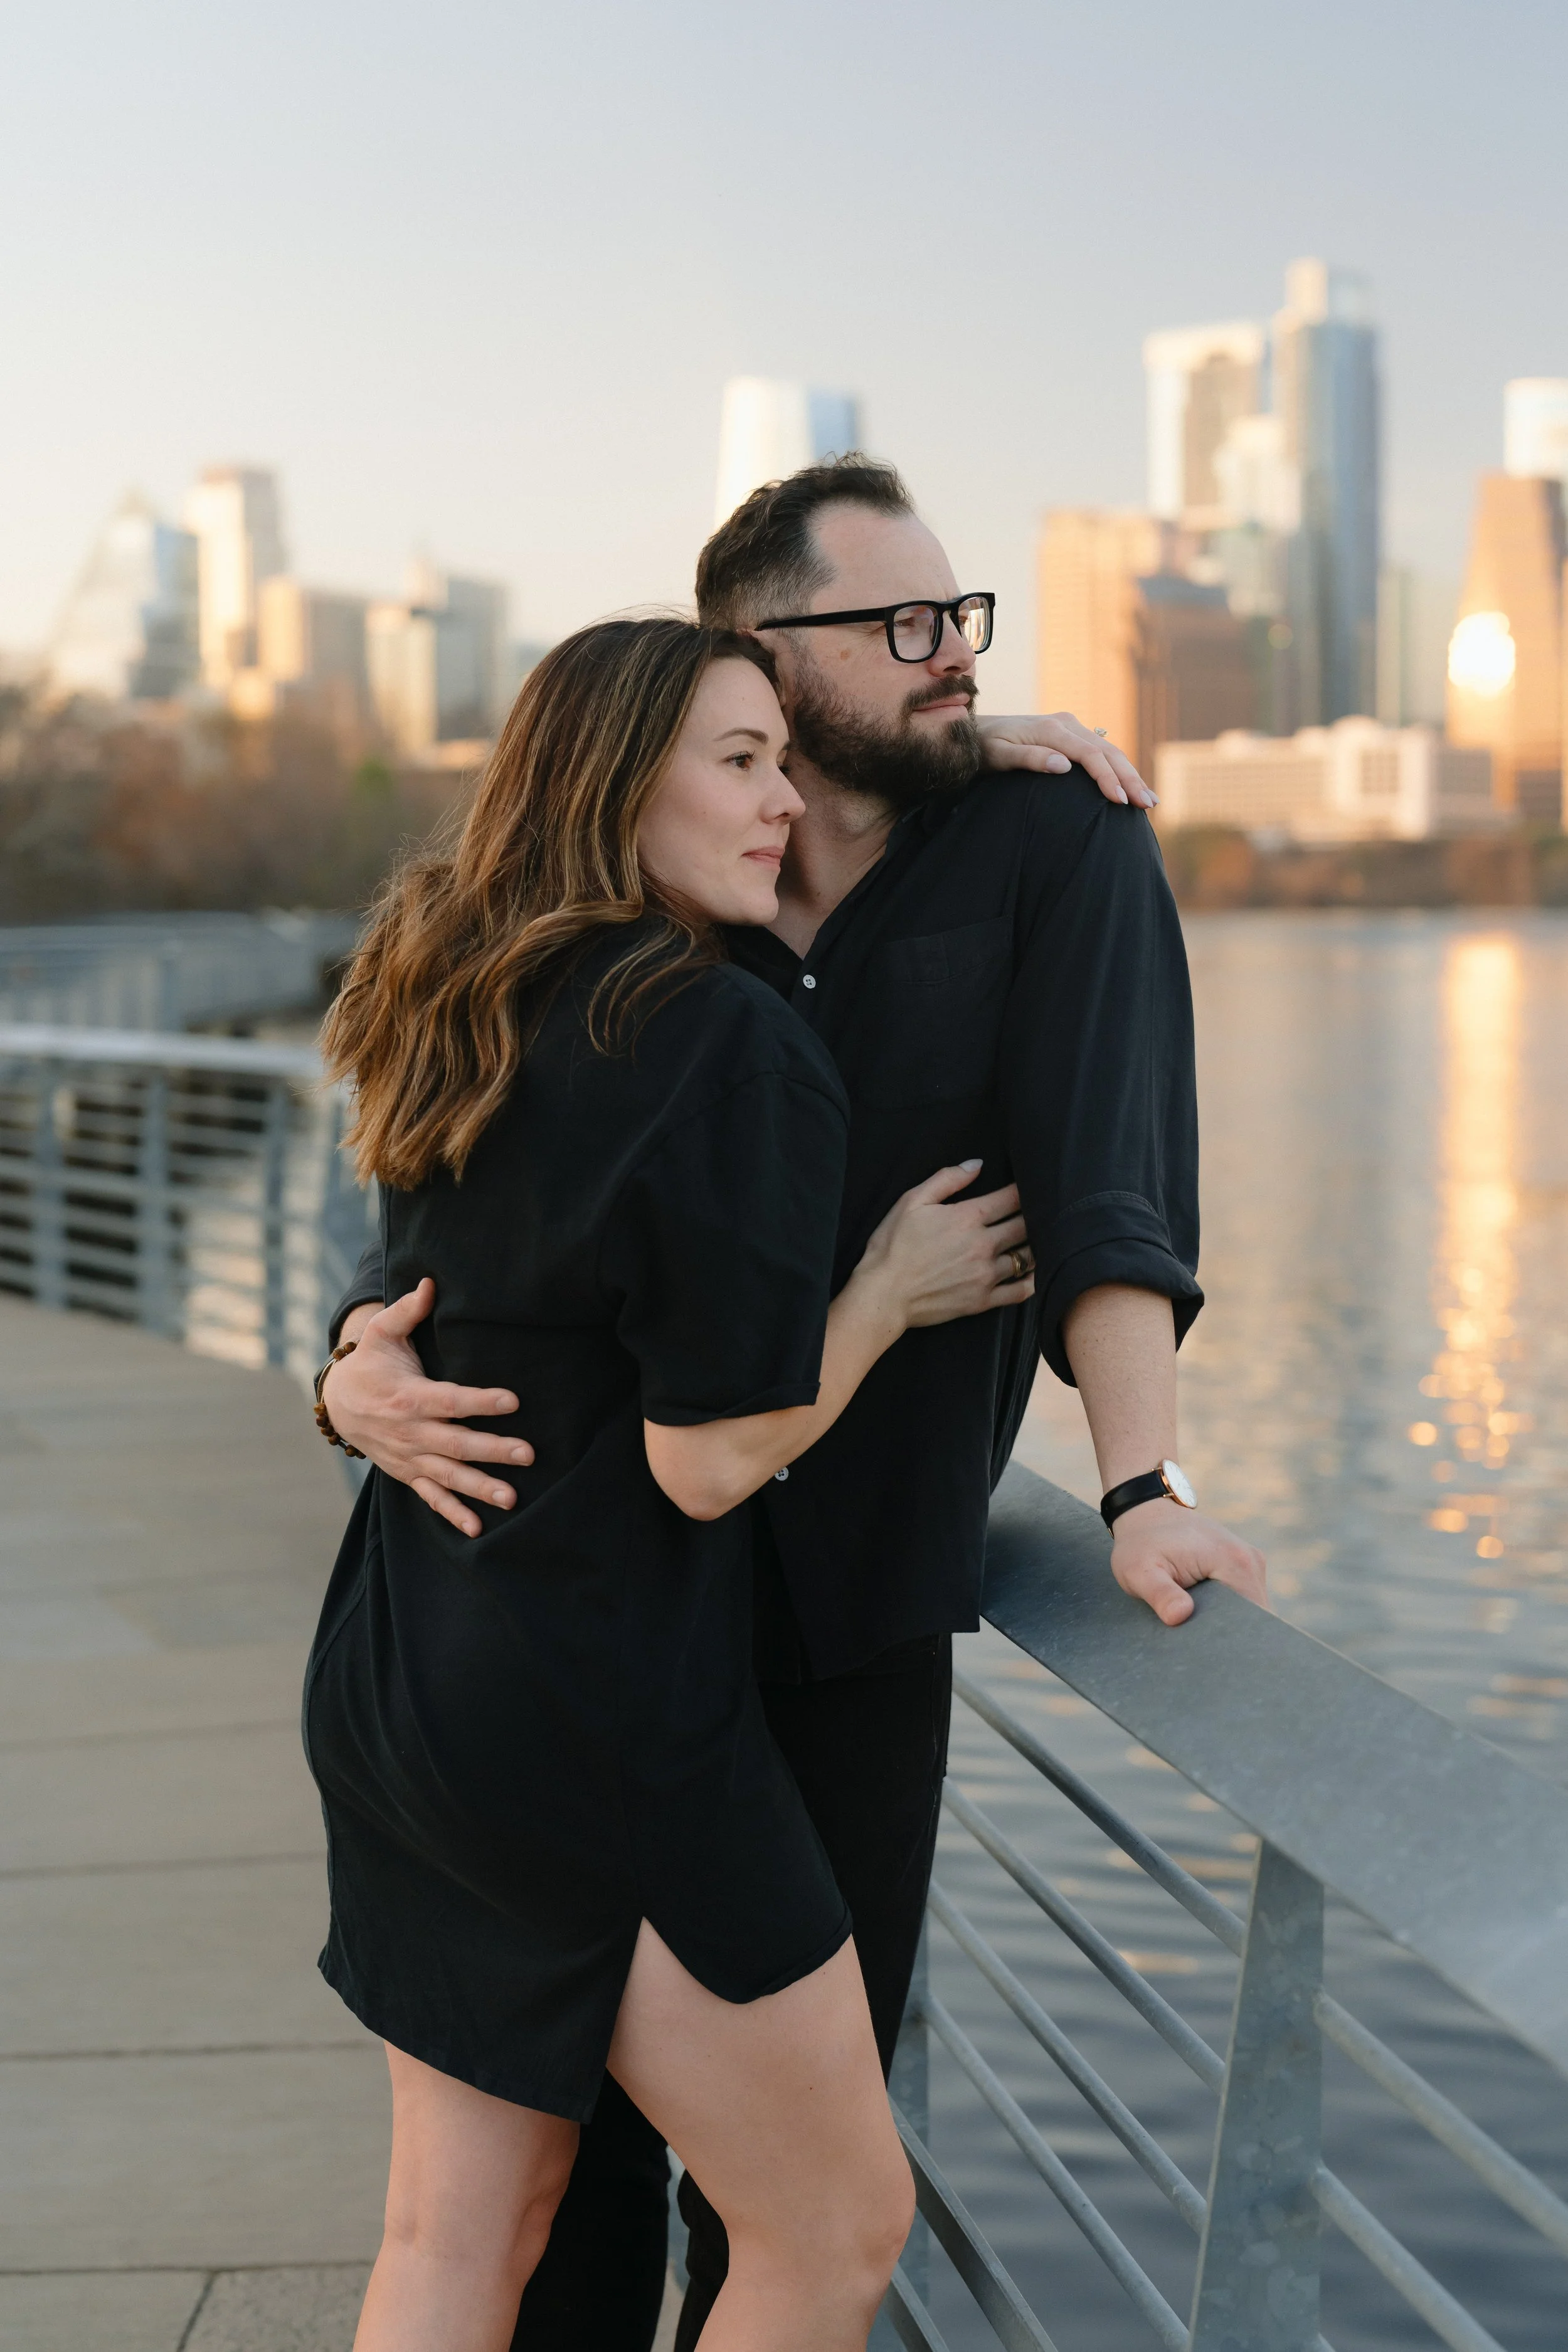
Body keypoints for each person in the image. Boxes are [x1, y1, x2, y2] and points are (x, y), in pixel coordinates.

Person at [320, 457, 1268, 2351]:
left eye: (958, 626)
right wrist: (356, 1367)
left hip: (612, 1640)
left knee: (538, 2216)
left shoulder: (1036, 848)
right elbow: (574, 1332)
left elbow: (1109, 1183)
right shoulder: (690, 980)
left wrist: (1137, 1473)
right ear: (737, 676)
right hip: (616, 1648)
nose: (947, 660)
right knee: (728, 2221)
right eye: (897, 627)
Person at [305, 615, 1042, 2352]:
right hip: (604, 1714)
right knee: (835, 2227)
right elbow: (706, 1461)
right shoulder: (721, 1037)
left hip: (411, 1667)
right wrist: (879, 1299)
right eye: (737, 760)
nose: (779, 797)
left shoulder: (449, 990)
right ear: (614, 779)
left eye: (784, 759)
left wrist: (347, 1368)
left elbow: (440, 1295)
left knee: (453, 2235)